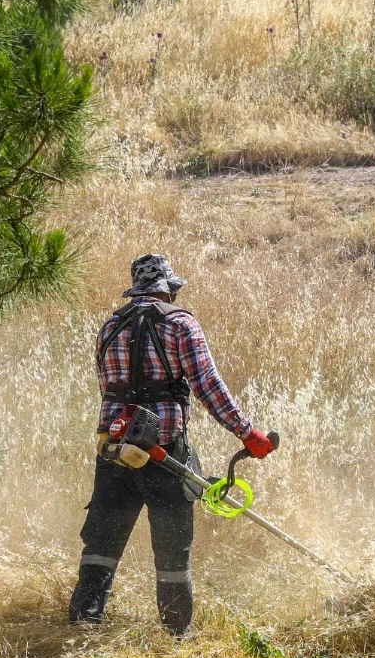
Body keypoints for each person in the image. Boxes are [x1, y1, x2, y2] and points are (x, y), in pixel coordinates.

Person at [69, 253, 274, 636]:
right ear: (168, 290)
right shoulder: (180, 324)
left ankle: (83, 628)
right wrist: (248, 434)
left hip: (113, 450)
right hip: (164, 454)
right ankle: (175, 636)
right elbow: (209, 388)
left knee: (101, 544)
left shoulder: (109, 326)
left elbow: (107, 390)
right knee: (172, 550)